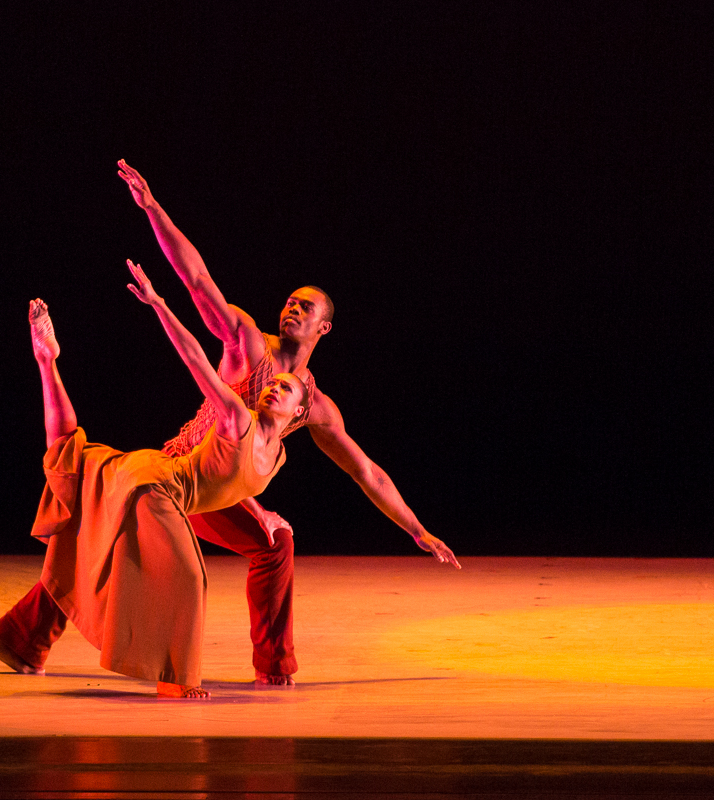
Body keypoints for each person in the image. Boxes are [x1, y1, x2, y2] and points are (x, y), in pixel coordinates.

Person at [116, 160, 461, 684]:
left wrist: (417, 530)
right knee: (113, 547)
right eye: (289, 303)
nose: (292, 309)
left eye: (305, 307)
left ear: (325, 326)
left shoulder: (314, 406)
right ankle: (28, 635)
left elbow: (367, 473)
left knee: (274, 546)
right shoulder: (248, 343)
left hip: (223, 490)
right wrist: (151, 207)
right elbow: (197, 279)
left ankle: (273, 669)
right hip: (181, 468)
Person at [0, 261, 307, 698]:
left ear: (299, 414)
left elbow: (239, 478)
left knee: (81, 493)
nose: (273, 388)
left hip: (155, 479)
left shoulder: (278, 454)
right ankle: (174, 681)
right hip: (156, 485)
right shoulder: (236, 417)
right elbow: (195, 355)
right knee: (187, 576)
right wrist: (158, 304)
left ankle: (47, 361)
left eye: (285, 389)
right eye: (272, 385)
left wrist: (259, 511)